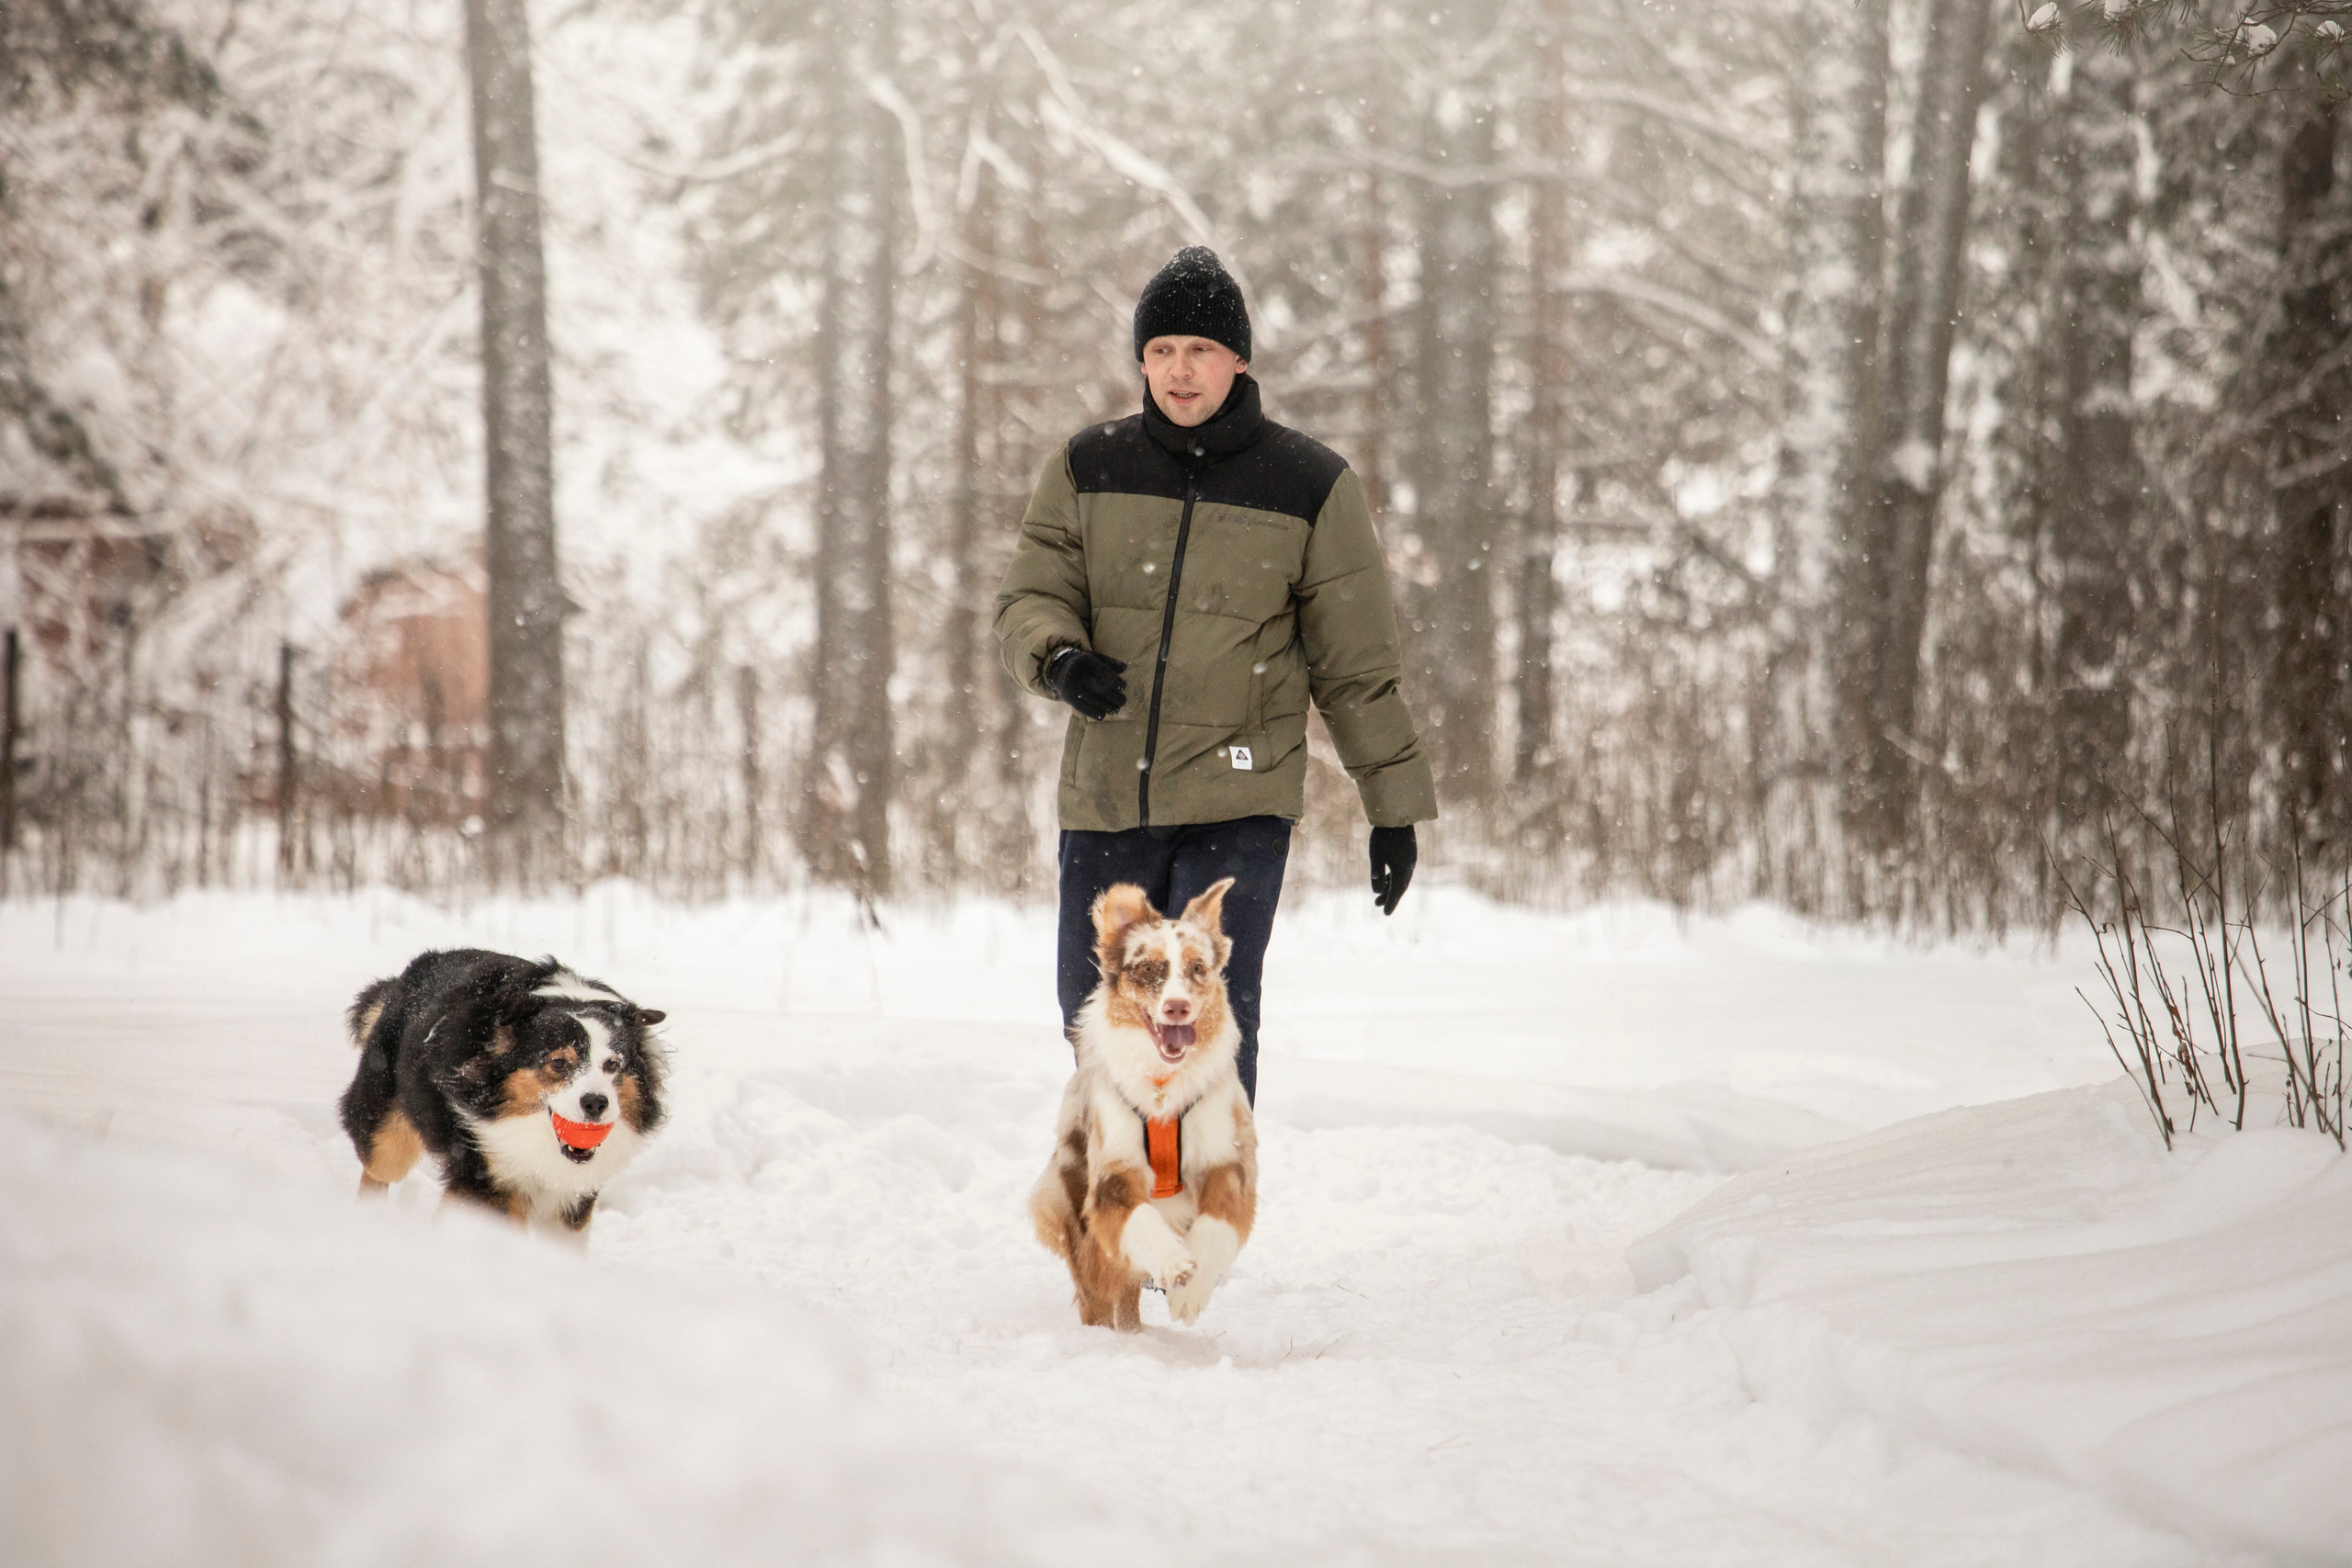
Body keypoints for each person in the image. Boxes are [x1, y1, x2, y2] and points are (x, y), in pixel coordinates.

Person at [994, 246, 1438, 1103]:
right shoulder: (1089, 469)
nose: (1179, 370)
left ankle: (1202, 1205)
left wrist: (1393, 809)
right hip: (1109, 799)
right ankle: (1122, 1208)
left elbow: (1356, 668)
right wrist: (1060, 658)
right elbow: (1031, 596)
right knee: (1094, 1012)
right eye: (1160, 351)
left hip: (1239, 803)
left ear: (1239, 359)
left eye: (1199, 349)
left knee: (1201, 1017)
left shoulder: (1310, 485)